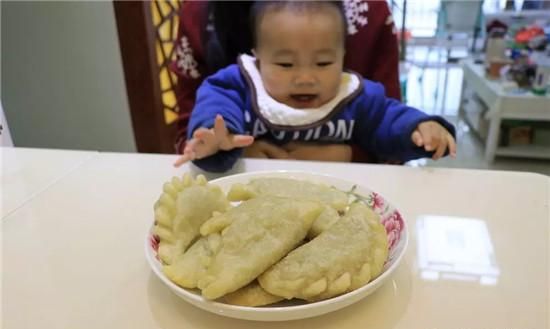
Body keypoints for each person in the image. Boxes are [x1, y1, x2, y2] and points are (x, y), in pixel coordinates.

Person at [174, 1, 456, 172]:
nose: (306, 78)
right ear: (256, 57)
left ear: (344, 57)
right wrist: (218, 142)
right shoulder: (240, 84)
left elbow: (389, 119)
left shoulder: (356, 97)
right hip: (249, 194)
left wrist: (418, 130)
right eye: (285, 64)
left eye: (322, 63)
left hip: (337, 198)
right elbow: (215, 104)